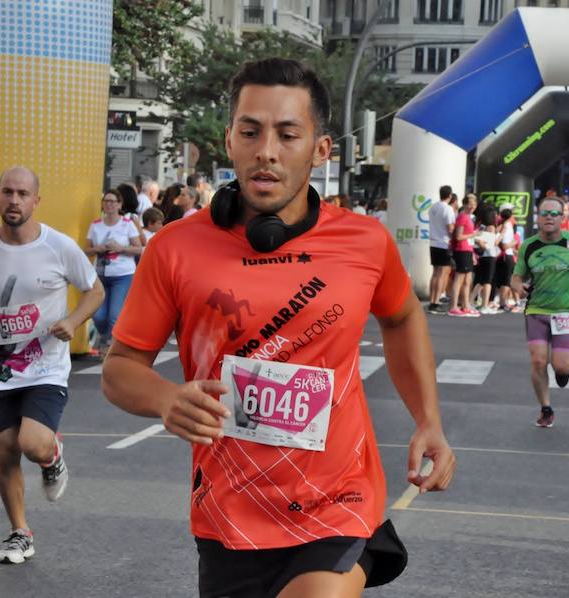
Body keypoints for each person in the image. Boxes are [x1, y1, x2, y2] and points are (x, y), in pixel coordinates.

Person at [101, 57, 455, 597]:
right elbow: (120, 368)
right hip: (229, 511)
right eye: (251, 131)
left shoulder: (364, 243)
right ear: (230, 140)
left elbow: (403, 316)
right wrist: (167, 399)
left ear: (321, 149)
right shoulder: (175, 248)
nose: (266, 150)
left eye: (288, 134)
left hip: (338, 501)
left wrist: (428, 419)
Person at [0, 166, 104, 564]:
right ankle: (20, 533)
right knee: (4, 452)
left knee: (32, 444)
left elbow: (94, 290)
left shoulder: (59, 246)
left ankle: (52, 456)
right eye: (7, 193)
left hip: (45, 365)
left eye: (22, 194)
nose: (13, 200)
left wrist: (71, 320)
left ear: (36, 200)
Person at [511, 197, 569, 428]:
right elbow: (517, 276)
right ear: (538, 218)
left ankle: (562, 371)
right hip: (536, 310)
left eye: (554, 214)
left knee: (561, 366)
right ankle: (546, 408)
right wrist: (518, 286)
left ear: (563, 217)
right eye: (544, 213)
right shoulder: (529, 245)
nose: (549, 217)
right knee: (538, 360)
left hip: (565, 314)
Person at [85, 189, 142, 352]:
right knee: (98, 315)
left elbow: (139, 249)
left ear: (119, 204)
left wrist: (120, 248)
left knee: (114, 315)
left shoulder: (127, 224)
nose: (109, 204)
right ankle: (106, 337)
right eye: (106, 201)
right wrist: (99, 248)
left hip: (122, 275)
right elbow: (86, 250)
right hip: (101, 275)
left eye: (112, 201)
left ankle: (110, 347)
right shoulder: (96, 225)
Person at [448, 193, 479, 317]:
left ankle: (466, 306)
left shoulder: (468, 217)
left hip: (467, 250)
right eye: (470, 204)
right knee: (459, 278)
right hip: (461, 250)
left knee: (467, 280)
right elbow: (459, 236)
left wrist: (472, 254)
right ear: (465, 204)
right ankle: (453, 306)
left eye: (474, 204)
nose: (472, 206)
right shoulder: (462, 217)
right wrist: (473, 235)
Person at [426, 185, 455, 313]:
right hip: (444, 243)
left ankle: (432, 300)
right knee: (442, 273)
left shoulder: (433, 207)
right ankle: (435, 301)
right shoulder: (447, 209)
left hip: (433, 242)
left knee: (435, 273)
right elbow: (450, 228)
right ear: (450, 195)